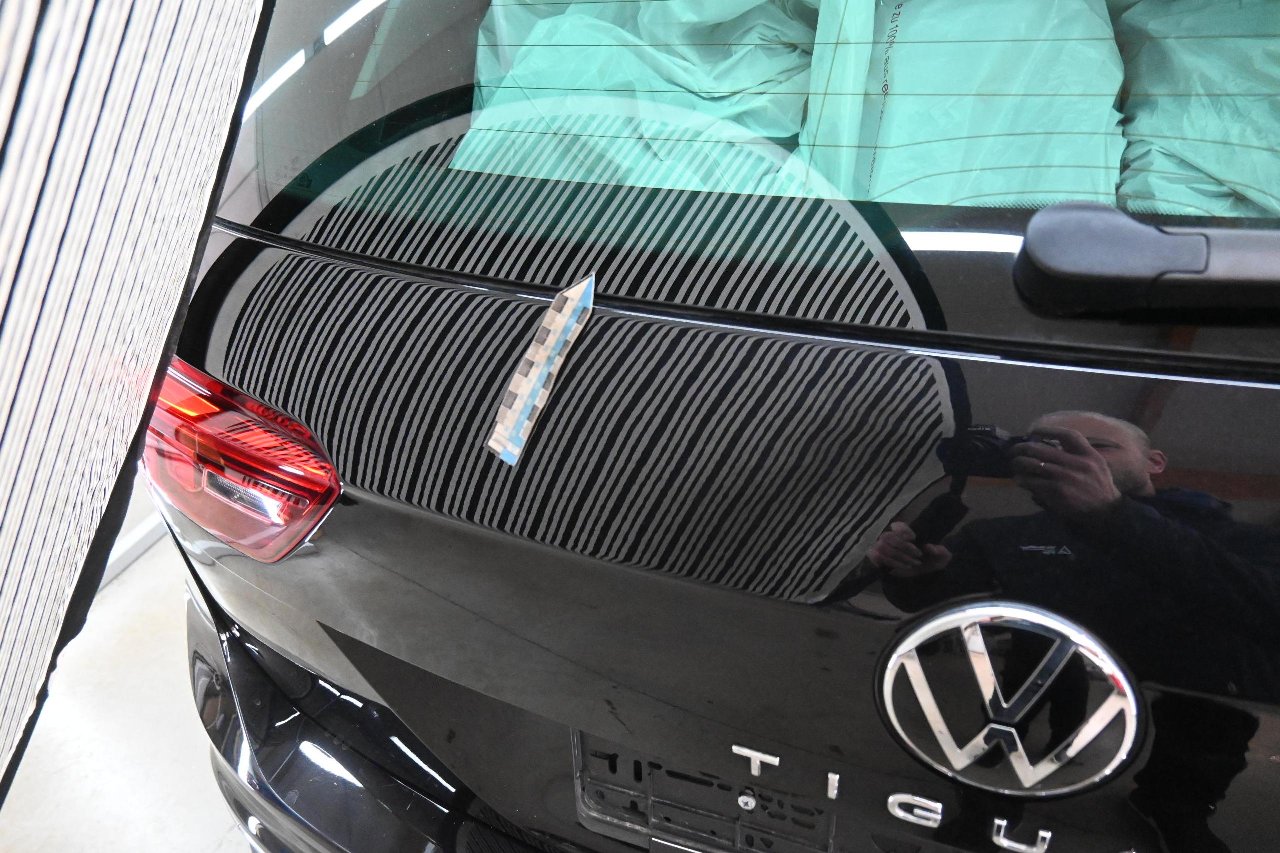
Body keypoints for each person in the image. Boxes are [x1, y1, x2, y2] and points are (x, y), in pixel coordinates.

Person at [869, 411, 1280, 853]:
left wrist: (1112, 515)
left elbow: (1266, 606)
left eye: (1098, 446)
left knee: (1199, 755)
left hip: (1193, 693)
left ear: (1154, 462)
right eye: (1046, 447)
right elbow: (925, 601)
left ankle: (1171, 809)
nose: (1072, 457)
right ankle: (988, 804)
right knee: (1001, 736)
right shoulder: (1002, 534)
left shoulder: (1230, 534)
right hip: (1033, 678)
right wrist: (911, 572)